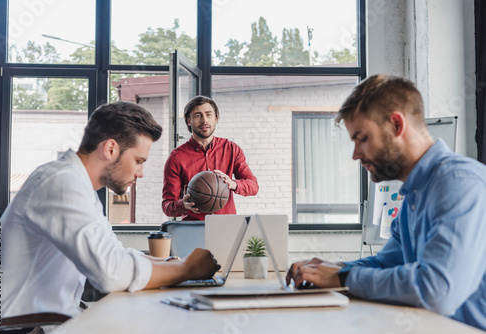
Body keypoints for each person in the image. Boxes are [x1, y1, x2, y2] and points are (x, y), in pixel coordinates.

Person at [0, 101, 220, 325]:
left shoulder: (78, 184)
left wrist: (170, 263)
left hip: (46, 321)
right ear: (110, 149)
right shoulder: (62, 182)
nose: (141, 173)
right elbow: (111, 273)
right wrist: (187, 269)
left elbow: (114, 253)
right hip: (18, 327)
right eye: (138, 161)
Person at [286, 75, 486, 331]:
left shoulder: (458, 183)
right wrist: (328, 268)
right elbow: (386, 263)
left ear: (396, 124)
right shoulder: (416, 192)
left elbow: (437, 291)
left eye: (362, 138)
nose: (355, 154)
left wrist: (342, 277)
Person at [162, 95, 259, 220]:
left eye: (209, 115)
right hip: (193, 229)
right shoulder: (176, 158)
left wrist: (233, 183)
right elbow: (167, 206)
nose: (204, 120)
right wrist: (183, 205)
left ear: (215, 118)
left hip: (226, 227)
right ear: (188, 121)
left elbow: (253, 186)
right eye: (198, 115)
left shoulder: (231, 149)